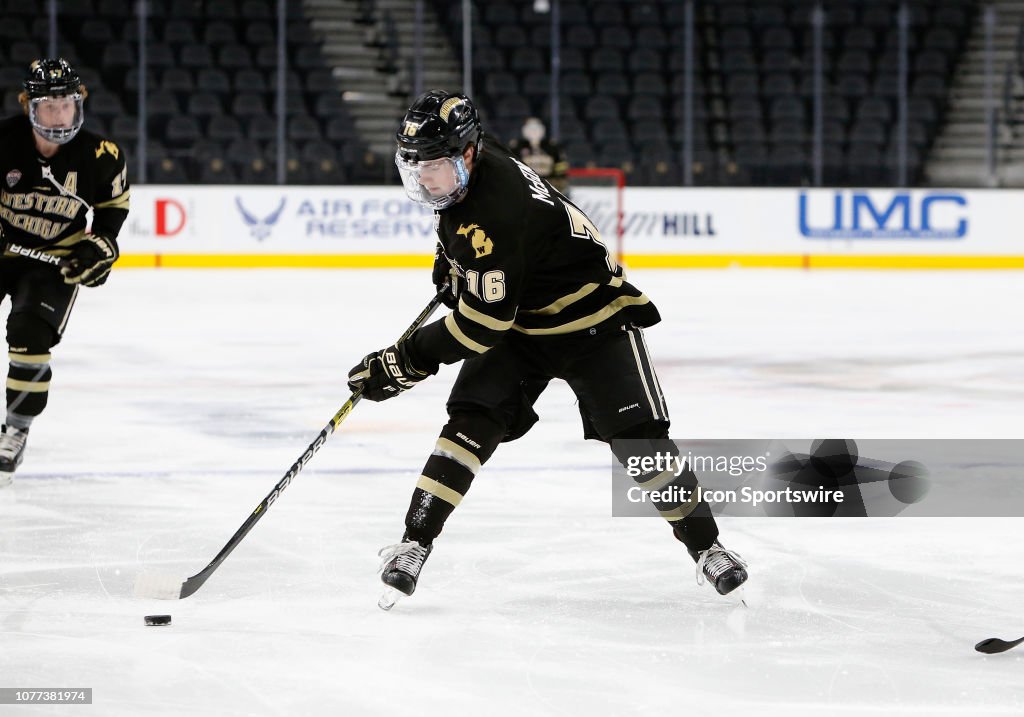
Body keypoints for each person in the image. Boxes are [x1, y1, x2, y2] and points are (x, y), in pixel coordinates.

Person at [347, 90, 747, 608]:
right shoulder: (470, 177)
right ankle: (413, 545)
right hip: (522, 322)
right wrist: (451, 270)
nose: (424, 179)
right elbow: (462, 240)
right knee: (470, 423)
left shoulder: (498, 207)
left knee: (641, 445)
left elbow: (482, 324)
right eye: (416, 167)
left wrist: (406, 361)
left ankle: (707, 548)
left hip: (593, 323)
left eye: (435, 167)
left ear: (468, 154)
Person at [0, 58, 129, 485]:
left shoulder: (101, 156)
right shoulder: (3, 142)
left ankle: (16, 429)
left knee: (30, 332)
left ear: (79, 106)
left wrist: (99, 247)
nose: (58, 116)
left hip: (54, 259)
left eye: (65, 106)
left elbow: (112, 210)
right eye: (48, 107)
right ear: (28, 107)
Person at [507, 116, 569, 194]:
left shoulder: (552, 147)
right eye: (530, 129)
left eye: (537, 128)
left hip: (549, 187)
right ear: (524, 130)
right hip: (524, 188)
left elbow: (561, 169)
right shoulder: (517, 147)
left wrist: (557, 183)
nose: (534, 131)